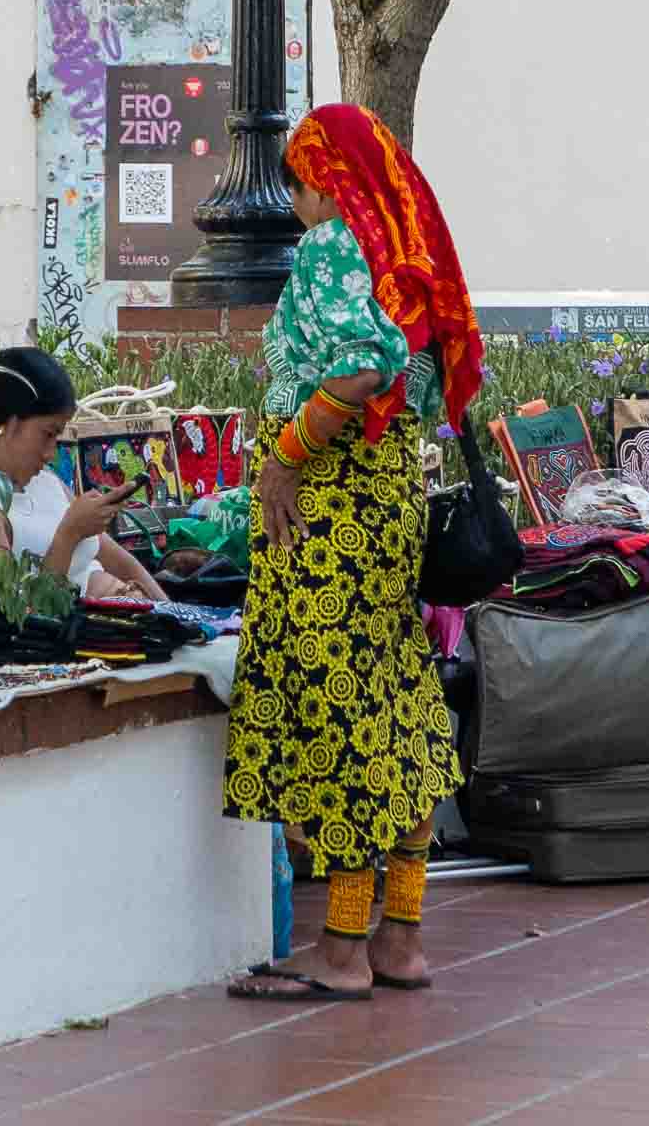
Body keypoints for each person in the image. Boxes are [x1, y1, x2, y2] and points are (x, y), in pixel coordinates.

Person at [224, 102, 481, 1002]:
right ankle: (398, 939)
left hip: (327, 514)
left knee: (338, 715)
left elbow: (362, 368)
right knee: (395, 701)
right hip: (383, 504)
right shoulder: (401, 258)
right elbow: (405, 372)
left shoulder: (336, 249)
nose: (295, 202)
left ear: (320, 181)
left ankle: (340, 950)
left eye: (297, 183)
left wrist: (286, 459)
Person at [0, 347, 167, 602]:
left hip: (136, 626)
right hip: (88, 637)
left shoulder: (44, 481)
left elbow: (120, 562)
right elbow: (14, 619)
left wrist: (179, 616)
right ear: (5, 423)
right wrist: (69, 535)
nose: (50, 454)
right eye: (48, 434)